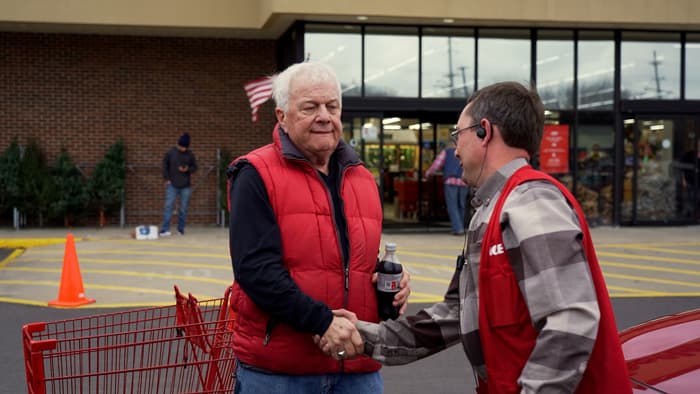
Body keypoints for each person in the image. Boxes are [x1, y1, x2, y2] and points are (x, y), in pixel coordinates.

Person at [333, 81, 632, 393]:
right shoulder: (490, 211)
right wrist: (363, 336)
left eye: (457, 135)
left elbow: (571, 320)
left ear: (484, 131)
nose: (455, 149)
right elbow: (455, 315)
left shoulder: (531, 202)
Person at [227, 61, 410, 394]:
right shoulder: (254, 174)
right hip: (279, 373)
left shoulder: (363, 179)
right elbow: (256, 271)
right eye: (310, 107)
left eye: (332, 106)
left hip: (358, 368)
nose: (324, 116)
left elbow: (355, 267)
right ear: (282, 116)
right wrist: (321, 322)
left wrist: (392, 283)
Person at [425, 140, 470, 235]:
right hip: (464, 181)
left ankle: (458, 228)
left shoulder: (447, 152)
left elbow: (436, 165)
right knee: (462, 206)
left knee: (452, 206)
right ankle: (461, 226)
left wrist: (428, 173)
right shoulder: (466, 151)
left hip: (450, 181)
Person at [159, 132, 197, 236]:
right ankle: (165, 229)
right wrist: (166, 179)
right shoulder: (171, 153)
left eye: (185, 147)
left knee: (183, 208)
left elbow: (195, 167)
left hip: (186, 186)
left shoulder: (190, 154)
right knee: (168, 206)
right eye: (181, 146)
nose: (183, 149)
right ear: (178, 144)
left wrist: (187, 169)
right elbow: (164, 165)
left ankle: (180, 229)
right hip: (172, 184)